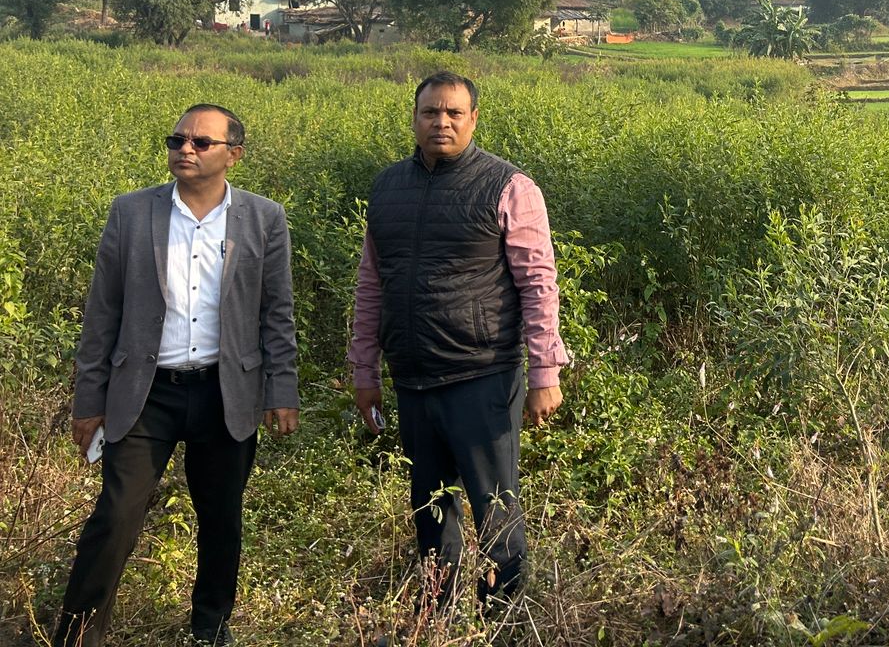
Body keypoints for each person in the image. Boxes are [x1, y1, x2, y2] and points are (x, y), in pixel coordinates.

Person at [54, 105, 299, 647]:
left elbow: (276, 313)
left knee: (221, 519)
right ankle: (78, 635)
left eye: (201, 142)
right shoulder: (131, 212)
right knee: (115, 516)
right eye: (177, 140)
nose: (185, 149)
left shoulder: (264, 218)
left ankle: (210, 627)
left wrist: (282, 389)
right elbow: (102, 313)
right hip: (146, 394)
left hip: (224, 390)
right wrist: (88, 399)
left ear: (234, 154)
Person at [349, 71, 568, 607]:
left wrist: (544, 371)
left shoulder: (508, 186)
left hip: (481, 375)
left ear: (473, 119)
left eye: (453, 113)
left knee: (495, 509)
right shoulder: (387, 188)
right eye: (430, 112)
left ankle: (502, 621)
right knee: (430, 510)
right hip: (413, 378)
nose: (440, 122)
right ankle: (439, 616)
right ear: (414, 118)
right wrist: (364, 369)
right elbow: (372, 284)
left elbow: (538, 282)